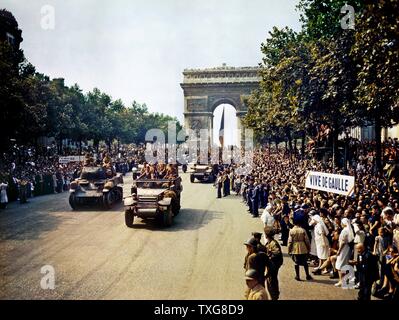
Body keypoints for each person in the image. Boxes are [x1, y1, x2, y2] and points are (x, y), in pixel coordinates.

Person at [264, 226, 283, 300]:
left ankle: (274, 296)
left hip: (274, 265)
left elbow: (277, 252)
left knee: (272, 282)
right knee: (270, 281)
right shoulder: (270, 242)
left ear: (266, 235)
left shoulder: (273, 243)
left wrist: (269, 255)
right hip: (272, 265)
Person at [335, 218, 354, 287]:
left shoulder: (344, 231)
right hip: (347, 248)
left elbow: (342, 242)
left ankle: (341, 281)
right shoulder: (348, 230)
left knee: (340, 265)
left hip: (343, 249)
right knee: (343, 264)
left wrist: (339, 251)